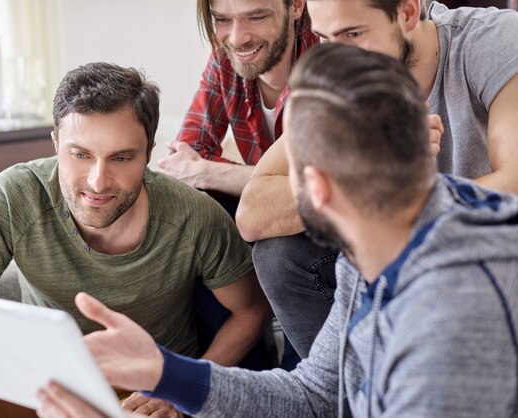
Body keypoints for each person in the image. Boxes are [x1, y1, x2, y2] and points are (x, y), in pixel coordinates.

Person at [37, 43, 518, 418]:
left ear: (316, 189)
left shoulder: (454, 312)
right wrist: (165, 372)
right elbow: (313, 396)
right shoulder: (375, 247)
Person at [0, 62, 272, 418]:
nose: (97, 181)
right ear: (56, 142)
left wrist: (181, 388)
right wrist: (29, 350)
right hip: (43, 384)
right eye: (80, 155)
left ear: (148, 153)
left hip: (142, 397)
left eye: (121, 158)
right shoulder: (17, 194)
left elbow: (251, 311)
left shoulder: (193, 215)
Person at [236, 0, 518, 358]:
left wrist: (400, 187)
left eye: (354, 33)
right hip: (390, 252)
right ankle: (343, 391)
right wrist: (375, 167)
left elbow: (512, 188)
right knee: (278, 255)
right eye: (325, 37)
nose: (338, 59)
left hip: (483, 253)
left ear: (408, 12)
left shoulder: (492, 40)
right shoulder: (338, 79)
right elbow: (252, 214)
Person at [157, 0, 316, 210]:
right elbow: (185, 156)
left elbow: (317, 186)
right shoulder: (226, 55)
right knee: (183, 203)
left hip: (322, 219)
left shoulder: (326, 57)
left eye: (256, 17)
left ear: (295, 5)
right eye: (222, 19)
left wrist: (209, 172)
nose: (237, 39)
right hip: (260, 207)